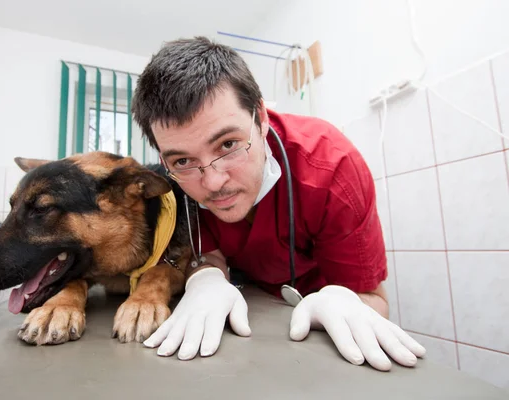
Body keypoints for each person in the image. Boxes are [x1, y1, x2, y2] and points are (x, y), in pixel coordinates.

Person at [131, 36, 426, 371]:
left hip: (319, 332)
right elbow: (207, 249)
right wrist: (206, 279)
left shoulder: (332, 168)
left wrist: (339, 299)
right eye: (183, 160)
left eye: (228, 144)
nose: (212, 182)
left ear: (260, 117)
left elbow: (374, 300)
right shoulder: (175, 180)